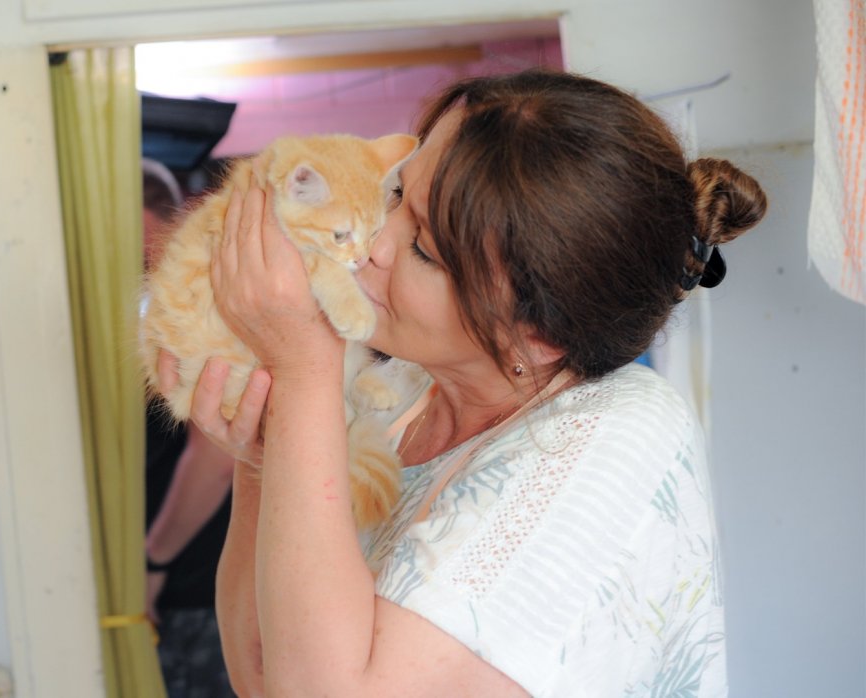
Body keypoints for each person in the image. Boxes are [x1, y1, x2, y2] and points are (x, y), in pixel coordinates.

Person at [155, 69, 766, 697]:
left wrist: (301, 371)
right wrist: (268, 446)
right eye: (397, 196)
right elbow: (259, 671)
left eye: (423, 248)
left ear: (539, 333)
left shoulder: (621, 440)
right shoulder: (407, 385)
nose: (375, 244)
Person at [140, 158, 236, 697]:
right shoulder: (162, 306)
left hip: (195, 585)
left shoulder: (201, 303)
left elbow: (216, 456)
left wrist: (153, 561)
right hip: (192, 583)